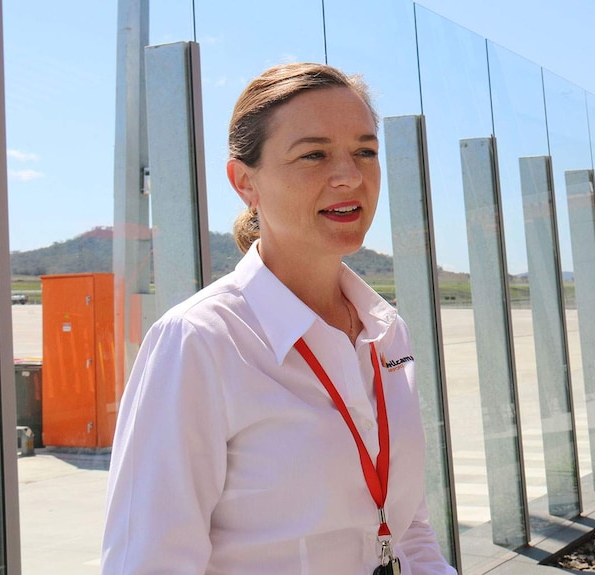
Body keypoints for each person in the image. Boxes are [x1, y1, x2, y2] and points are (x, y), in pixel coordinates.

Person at [100, 63, 457, 575]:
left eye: (365, 151)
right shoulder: (199, 341)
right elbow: (149, 561)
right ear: (245, 182)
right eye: (314, 154)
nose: (350, 176)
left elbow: (406, 527)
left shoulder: (384, 329)